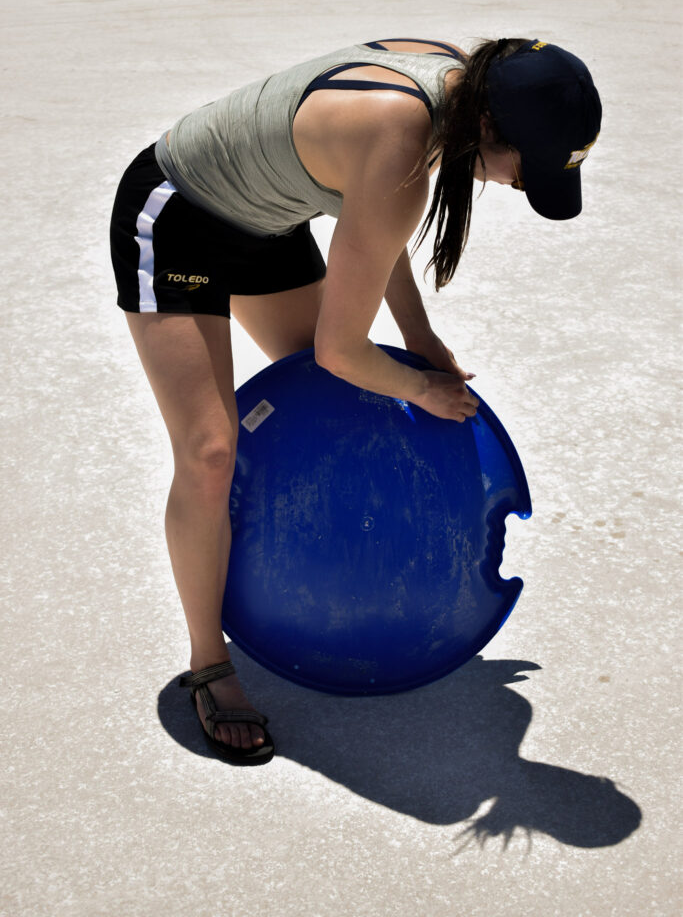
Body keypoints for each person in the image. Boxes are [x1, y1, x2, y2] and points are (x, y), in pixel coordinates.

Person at [110, 37, 601, 765]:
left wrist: (418, 336)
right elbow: (345, 345)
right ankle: (209, 664)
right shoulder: (403, 126)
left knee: (334, 400)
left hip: (265, 222)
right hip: (176, 216)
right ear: (490, 130)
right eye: (519, 173)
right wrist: (420, 388)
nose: (509, 186)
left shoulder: (463, 85)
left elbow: (372, 215)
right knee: (211, 450)